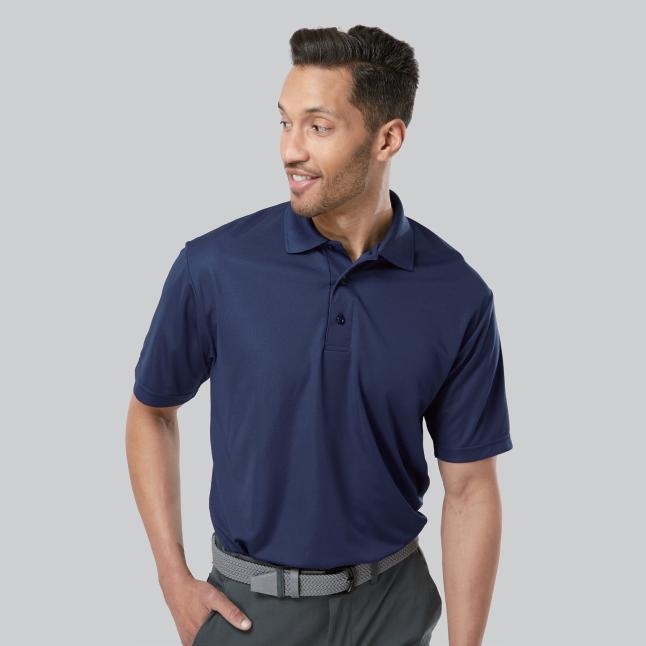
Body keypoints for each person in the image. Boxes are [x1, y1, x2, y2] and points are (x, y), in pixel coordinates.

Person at [126, 24, 513, 646]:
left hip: (394, 607)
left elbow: (469, 489)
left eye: (318, 127)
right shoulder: (215, 267)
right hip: (251, 612)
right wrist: (173, 577)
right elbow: (152, 412)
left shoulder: (457, 294)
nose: (290, 150)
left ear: (387, 138)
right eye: (285, 122)